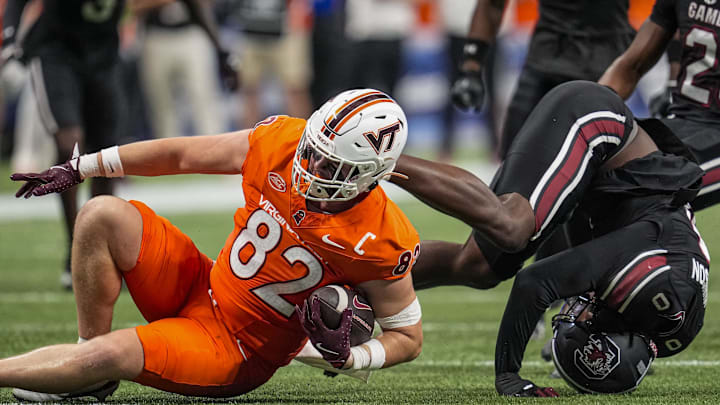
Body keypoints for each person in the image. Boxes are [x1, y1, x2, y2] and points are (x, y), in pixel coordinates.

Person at [6, 88, 423, 401]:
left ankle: (84, 366)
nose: (310, 167)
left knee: (111, 352)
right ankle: (86, 373)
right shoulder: (283, 143)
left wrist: (353, 359)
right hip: (202, 284)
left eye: (331, 165)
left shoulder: (379, 238)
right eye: (312, 151)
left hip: (235, 349)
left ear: (371, 174)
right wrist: (84, 166)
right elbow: (183, 155)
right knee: (101, 213)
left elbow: (407, 337)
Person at [389, 81, 708, 396]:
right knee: (512, 228)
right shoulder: (648, 288)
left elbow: (578, 251)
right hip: (595, 126)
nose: (573, 316)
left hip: (603, 189)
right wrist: (508, 374)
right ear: (612, 330)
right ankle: (381, 157)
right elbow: (535, 282)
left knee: (479, 266)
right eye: (584, 324)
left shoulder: (665, 336)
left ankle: (358, 276)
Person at [2, 0, 128, 290]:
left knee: (107, 158)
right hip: (55, 50)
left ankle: (101, 251)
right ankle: (76, 248)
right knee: (69, 145)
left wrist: (218, 46)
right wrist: (9, 38)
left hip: (104, 54)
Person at [599, 0, 720, 211]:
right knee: (596, 163)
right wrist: (587, 113)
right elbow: (630, 66)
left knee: (639, 189)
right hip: (685, 119)